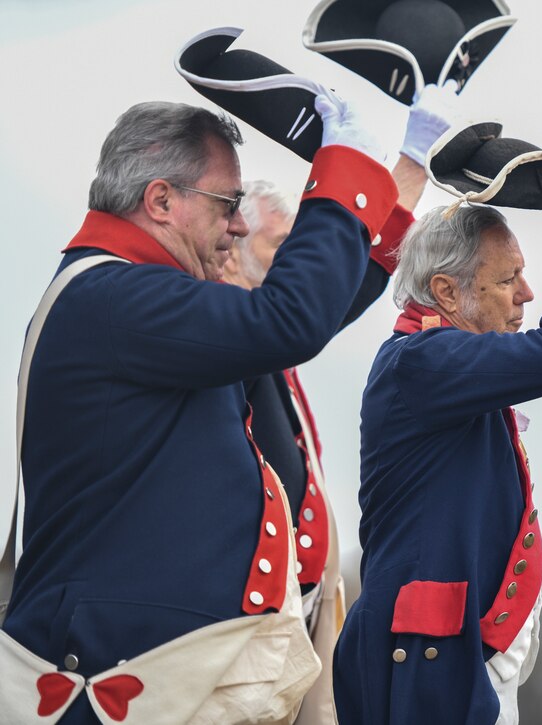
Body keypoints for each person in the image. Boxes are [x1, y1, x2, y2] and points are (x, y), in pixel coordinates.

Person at [0, 94, 397, 724]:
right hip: (140, 671)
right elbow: (291, 318)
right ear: (161, 202)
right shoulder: (114, 294)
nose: (237, 227)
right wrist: (344, 164)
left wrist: (387, 174)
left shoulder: (125, 293)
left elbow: (317, 306)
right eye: (228, 204)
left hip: (172, 669)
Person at [333, 174, 542, 724]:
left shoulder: (432, 359)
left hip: (445, 656)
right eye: (509, 279)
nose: (528, 294)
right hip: (429, 660)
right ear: (445, 292)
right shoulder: (421, 360)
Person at [221, 81, 459, 725]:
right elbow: (337, 287)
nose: (303, 267)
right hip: (242, 620)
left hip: (295, 605)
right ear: (230, 257)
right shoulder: (234, 328)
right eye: (281, 251)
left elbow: (345, 278)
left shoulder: (262, 338)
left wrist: (413, 163)